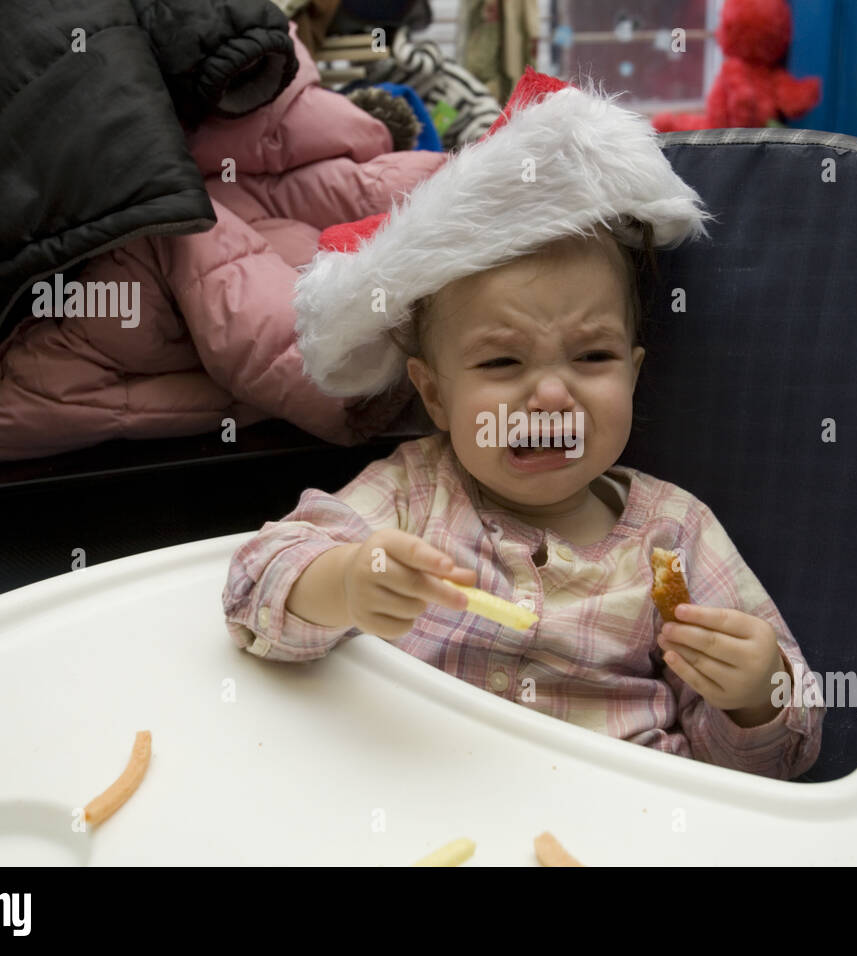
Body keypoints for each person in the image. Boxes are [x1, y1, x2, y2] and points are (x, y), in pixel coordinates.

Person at [223, 68, 823, 779]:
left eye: (592, 355)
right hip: (418, 804)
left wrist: (755, 695)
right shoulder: (414, 498)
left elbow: (780, 762)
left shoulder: (675, 534)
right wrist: (347, 583)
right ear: (436, 396)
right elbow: (251, 590)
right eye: (503, 362)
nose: (549, 395)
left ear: (632, 371)